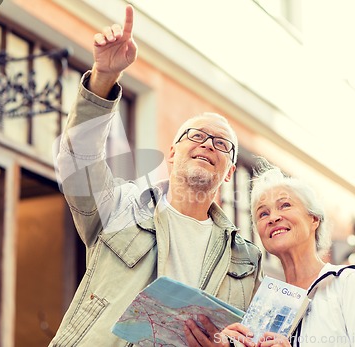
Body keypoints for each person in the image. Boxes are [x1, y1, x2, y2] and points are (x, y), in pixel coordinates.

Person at [49, 5, 262, 346]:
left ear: (229, 173)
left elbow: (251, 337)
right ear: (173, 153)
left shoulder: (247, 259)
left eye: (221, 143)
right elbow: (78, 161)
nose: (207, 144)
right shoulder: (118, 208)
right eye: (196, 135)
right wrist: (104, 78)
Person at [201, 157, 355, 347]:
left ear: (314, 219)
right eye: (263, 213)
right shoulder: (264, 306)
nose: (273, 218)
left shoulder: (349, 283)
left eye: (285, 205)